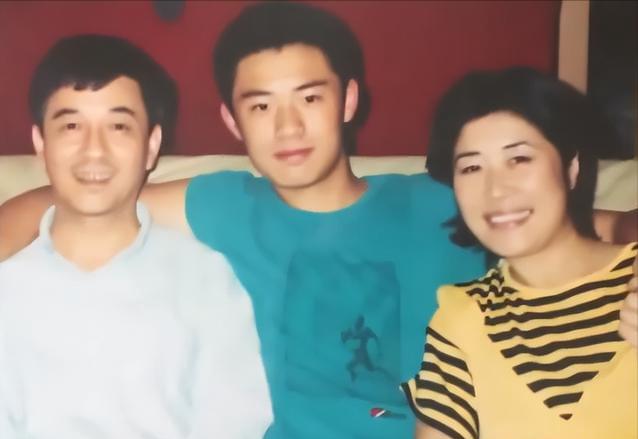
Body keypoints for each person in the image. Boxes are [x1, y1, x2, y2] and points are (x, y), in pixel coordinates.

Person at [0, 2, 635, 438]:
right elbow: (67, 200)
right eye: (260, 106)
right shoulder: (225, 205)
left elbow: (597, 224)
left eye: (309, 97)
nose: (288, 128)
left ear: (348, 99)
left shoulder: (447, 197)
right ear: (231, 121)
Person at [0, 34, 272, 438]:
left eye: (118, 126)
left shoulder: (207, 279)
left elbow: (236, 420)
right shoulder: (9, 288)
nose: (94, 150)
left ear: (151, 145)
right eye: (71, 126)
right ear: (41, 143)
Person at [403, 67, 637, 439]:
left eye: (520, 159)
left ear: (571, 168)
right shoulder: (462, 316)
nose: (496, 189)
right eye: (472, 167)